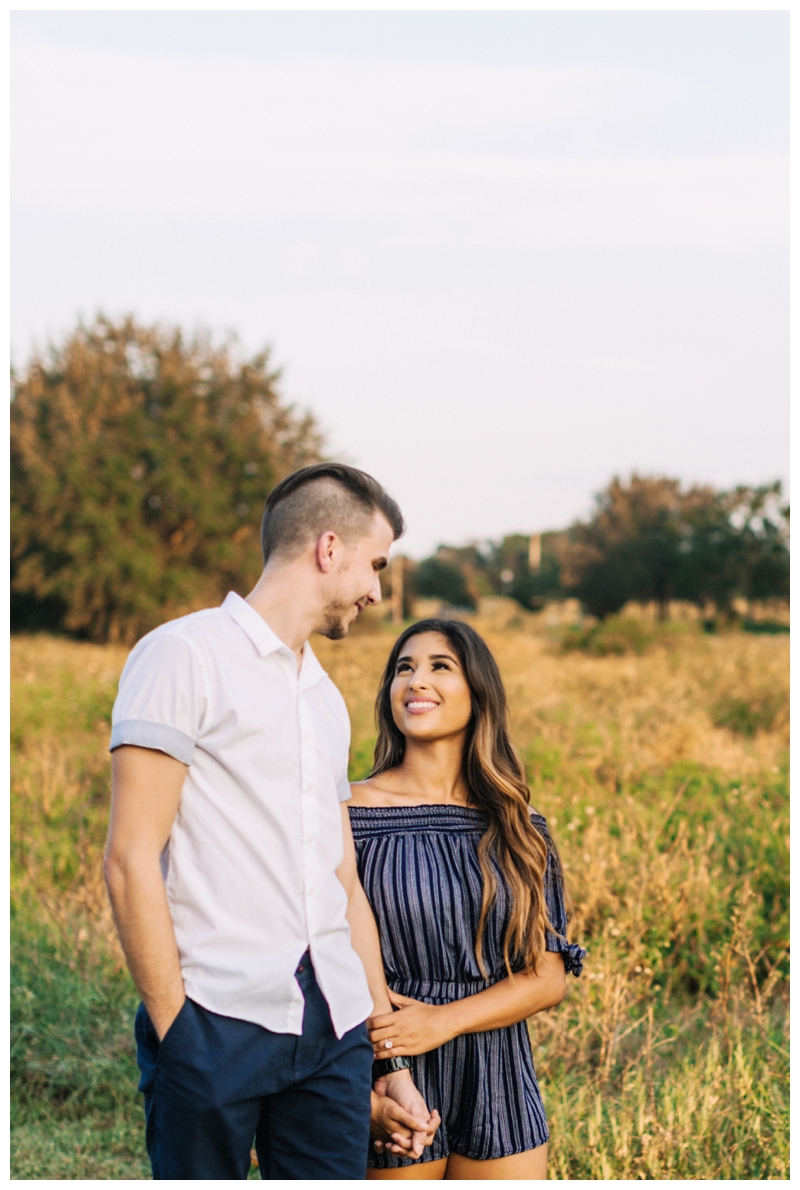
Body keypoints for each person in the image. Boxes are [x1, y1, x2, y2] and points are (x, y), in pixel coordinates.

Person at [104, 463, 439, 1180]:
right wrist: (178, 1033)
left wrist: (384, 1052)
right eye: (374, 565)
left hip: (333, 1031)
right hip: (215, 1024)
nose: (377, 591)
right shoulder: (182, 656)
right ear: (328, 549)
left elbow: (342, 881)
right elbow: (130, 858)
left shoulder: (324, 697)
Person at [347, 618, 586, 1180]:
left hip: (499, 1071)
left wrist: (444, 1021)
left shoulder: (520, 825)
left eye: (439, 666)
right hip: (389, 1066)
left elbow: (546, 976)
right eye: (403, 668)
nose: (415, 680)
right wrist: (393, 1056)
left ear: (478, 693)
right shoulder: (349, 811)